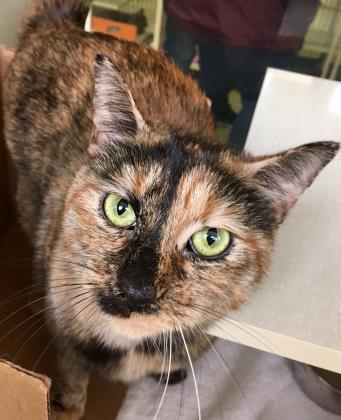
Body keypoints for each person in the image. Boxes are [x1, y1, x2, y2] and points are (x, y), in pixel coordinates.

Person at [164, 0, 319, 151]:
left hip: (211, 20)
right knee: (256, 102)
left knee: (212, 89)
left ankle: (196, 150)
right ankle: (234, 162)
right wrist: (290, 36)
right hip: (259, 27)